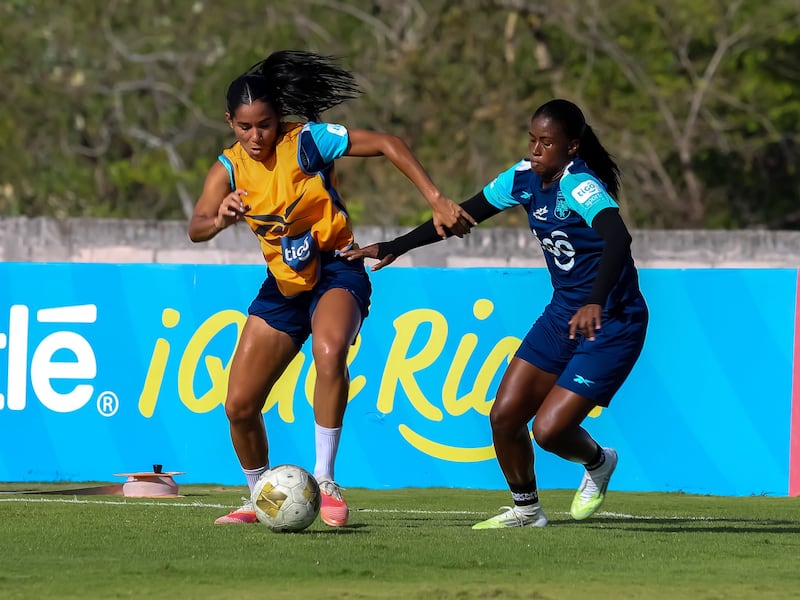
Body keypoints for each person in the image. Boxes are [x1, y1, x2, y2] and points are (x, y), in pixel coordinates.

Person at [188, 50, 475, 527]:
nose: (256, 136)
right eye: (244, 127)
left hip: (337, 268)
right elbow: (196, 225)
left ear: (278, 117)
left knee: (328, 350)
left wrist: (436, 199)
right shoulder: (229, 168)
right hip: (283, 286)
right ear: (230, 123)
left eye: (264, 124)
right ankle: (261, 494)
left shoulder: (306, 142)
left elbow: (387, 142)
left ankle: (325, 480)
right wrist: (218, 218)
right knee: (238, 405)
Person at [343, 99, 648, 528]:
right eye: (532, 139)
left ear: (572, 148)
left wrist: (596, 299)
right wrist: (397, 245)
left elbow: (618, 238)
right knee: (504, 416)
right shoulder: (521, 178)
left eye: (547, 143)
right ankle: (527, 512)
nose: (536, 150)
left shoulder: (580, 186)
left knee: (549, 431)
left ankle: (598, 461)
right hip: (563, 315)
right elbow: (460, 217)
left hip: (612, 320)